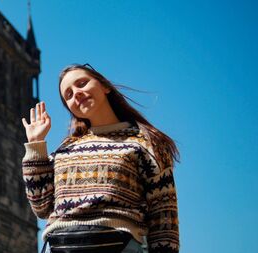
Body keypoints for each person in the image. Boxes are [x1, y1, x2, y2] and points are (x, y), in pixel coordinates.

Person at [21, 64, 180, 253]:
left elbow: (164, 217)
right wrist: (36, 144)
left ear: (105, 87)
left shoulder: (145, 143)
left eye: (82, 83)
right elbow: (41, 207)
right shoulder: (64, 150)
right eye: (69, 95)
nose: (77, 93)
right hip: (61, 246)